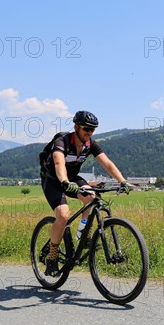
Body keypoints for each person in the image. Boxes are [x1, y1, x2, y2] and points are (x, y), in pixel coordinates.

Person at [40, 110, 131, 276]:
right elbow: (59, 163)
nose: (89, 132)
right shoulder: (62, 141)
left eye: (92, 130)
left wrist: (122, 181)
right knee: (63, 215)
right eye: (86, 129)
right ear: (76, 127)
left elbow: (107, 163)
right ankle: (52, 257)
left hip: (72, 178)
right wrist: (65, 182)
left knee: (91, 196)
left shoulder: (90, 144)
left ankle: (83, 232)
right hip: (53, 180)